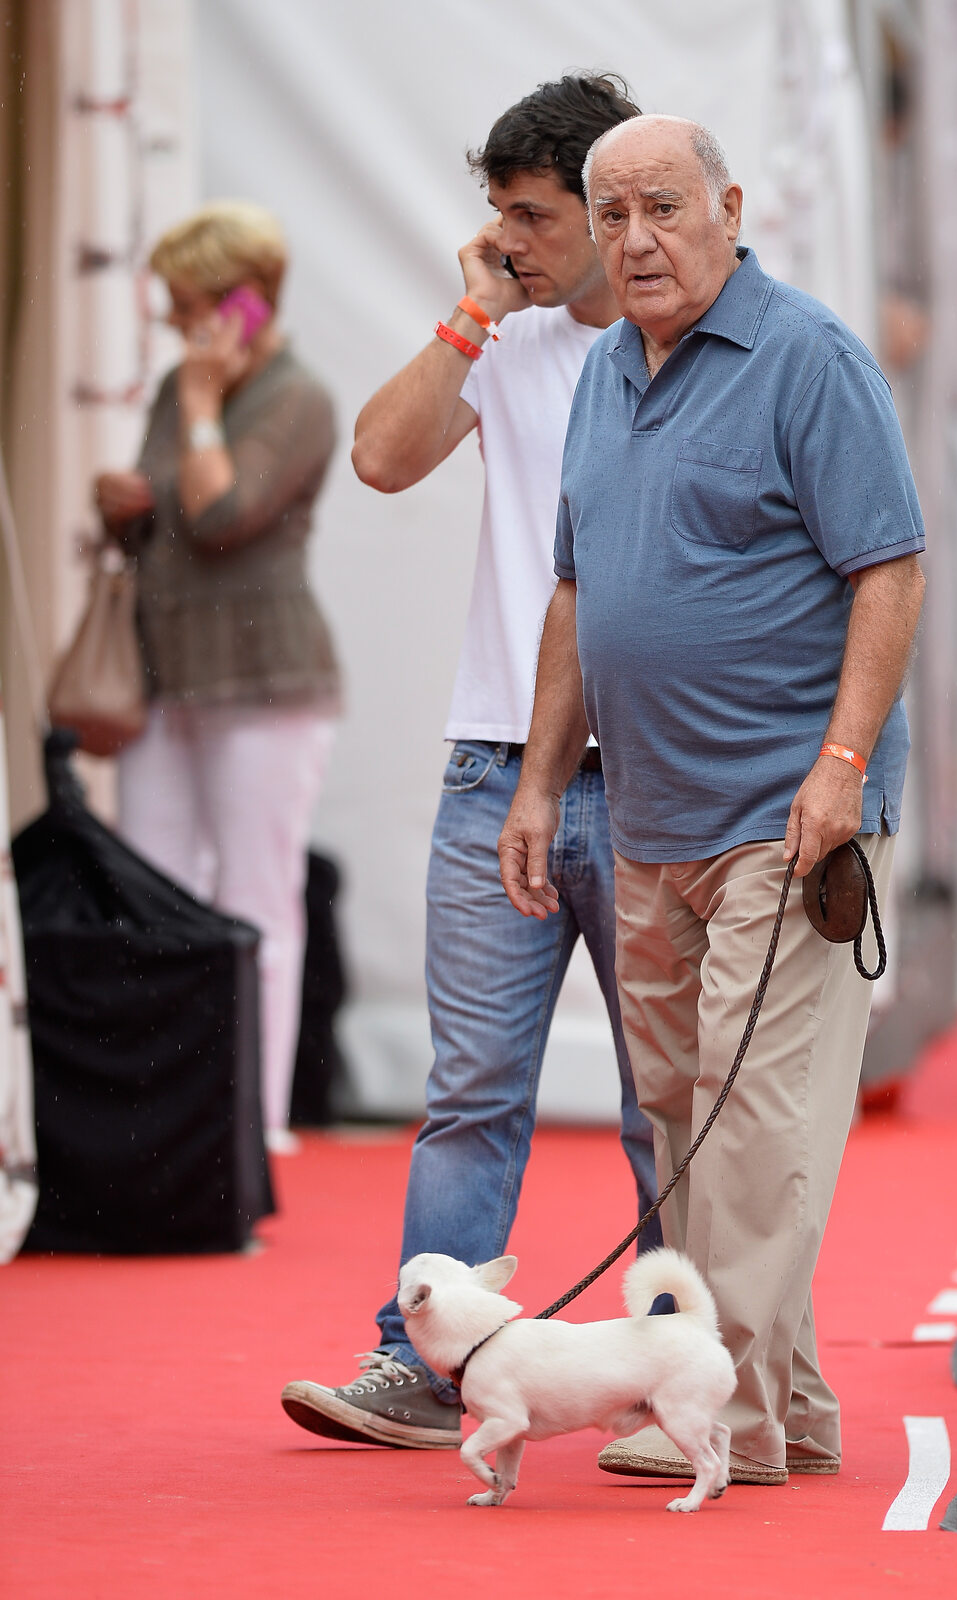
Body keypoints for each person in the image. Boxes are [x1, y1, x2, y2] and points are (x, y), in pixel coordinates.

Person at [499, 115, 926, 1485]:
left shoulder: (807, 359)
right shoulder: (605, 373)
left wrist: (841, 767)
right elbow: (578, 591)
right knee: (683, 1119)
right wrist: (539, 776)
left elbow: (891, 571)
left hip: (785, 817)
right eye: (610, 213)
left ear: (729, 208)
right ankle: (784, 1405)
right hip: (646, 818)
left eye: (662, 208)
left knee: (755, 1126)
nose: (634, 240)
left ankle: (723, 1417)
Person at [280, 74, 661, 1451]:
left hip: (650, 774)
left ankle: (671, 1376)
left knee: (658, 1098)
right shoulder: (503, 330)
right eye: (495, 215)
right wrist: (476, 310)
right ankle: (422, 1364)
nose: (508, 241)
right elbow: (380, 459)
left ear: (605, 211)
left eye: (530, 219)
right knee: (470, 1089)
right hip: (493, 764)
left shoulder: (691, 343)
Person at [95, 200, 341, 1154]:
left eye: (187, 300)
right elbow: (165, 508)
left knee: (254, 893)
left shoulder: (295, 394)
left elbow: (223, 512)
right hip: (166, 671)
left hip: (264, 674)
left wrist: (201, 406)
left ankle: (251, 1116)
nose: (170, 319)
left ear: (241, 303)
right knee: (155, 881)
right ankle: (168, 1102)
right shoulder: (173, 385)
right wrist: (122, 504)